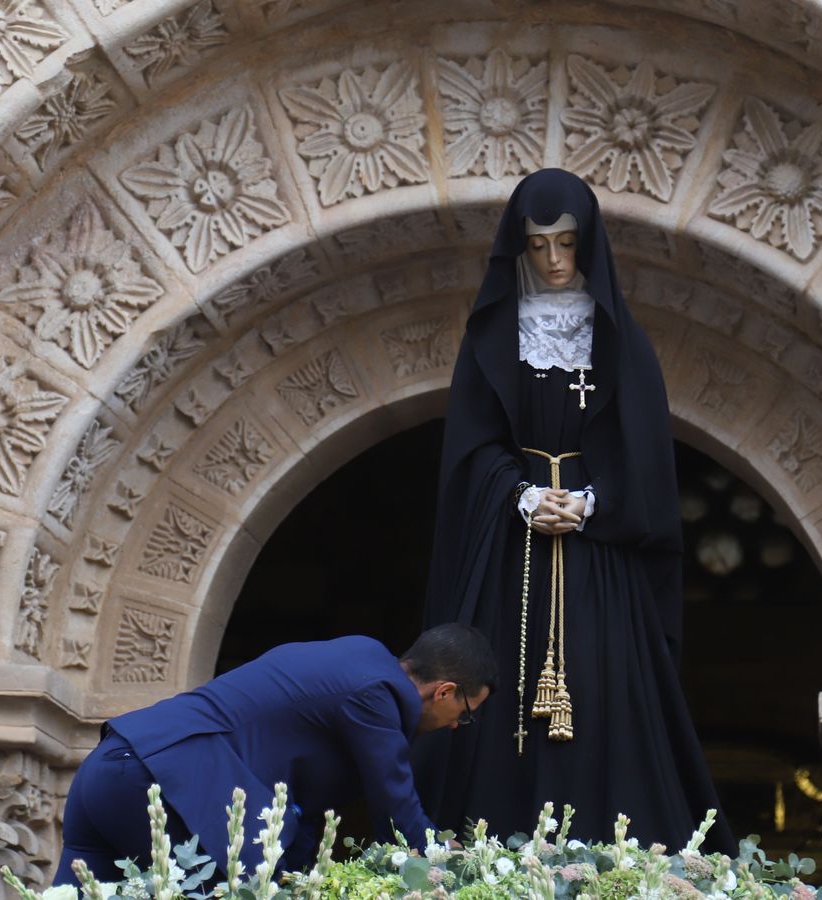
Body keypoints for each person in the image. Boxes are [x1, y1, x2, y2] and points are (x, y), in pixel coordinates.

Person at [418, 168, 734, 854]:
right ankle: (493, 856)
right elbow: (469, 451)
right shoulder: (490, 341)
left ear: (588, 244)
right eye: (539, 246)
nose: (556, 261)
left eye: (567, 243)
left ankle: (616, 853)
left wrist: (594, 503)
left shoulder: (622, 342)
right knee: (494, 685)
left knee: (607, 686)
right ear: (519, 250)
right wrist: (520, 494)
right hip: (513, 547)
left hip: (599, 556)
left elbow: (647, 459)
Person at [53, 624, 495, 886]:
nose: (457, 725)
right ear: (445, 691)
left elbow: (295, 810)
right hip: (167, 783)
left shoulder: (358, 658)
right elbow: (393, 802)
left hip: (112, 765)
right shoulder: (377, 693)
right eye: (465, 714)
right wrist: (442, 853)